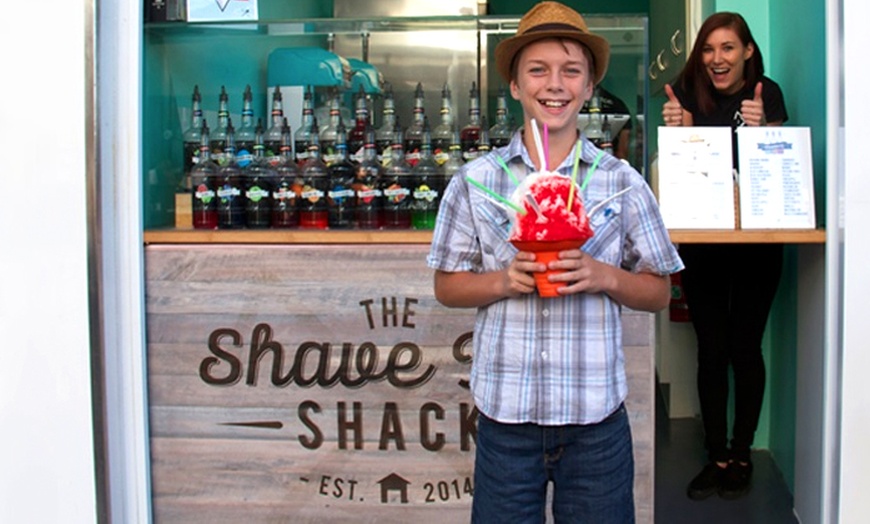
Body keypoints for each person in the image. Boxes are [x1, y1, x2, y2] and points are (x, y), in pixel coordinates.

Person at [427, 2, 683, 522]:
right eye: (538, 70)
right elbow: (447, 286)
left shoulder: (622, 182)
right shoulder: (476, 181)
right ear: (516, 86)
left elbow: (659, 292)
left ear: (589, 87)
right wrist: (504, 280)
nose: (555, 84)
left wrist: (603, 275)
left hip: (596, 424)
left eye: (571, 71)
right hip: (506, 422)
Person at [661, 12, 789, 501]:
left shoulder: (766, 92)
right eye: (710, 49)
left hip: (758, 240)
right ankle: (715, 456)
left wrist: (763, 128)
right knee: (711, 348)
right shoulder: (686, 90)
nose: (717, 58)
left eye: (729, 48)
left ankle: (741, 454)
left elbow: (774, 174)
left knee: (745, 347)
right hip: (703, 239)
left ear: (748, 52)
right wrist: (680, 129)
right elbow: (681, 170)